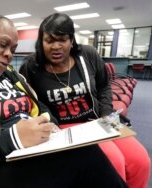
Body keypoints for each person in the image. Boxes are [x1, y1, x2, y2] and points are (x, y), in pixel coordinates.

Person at [0, 13, 128, 188]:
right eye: (3, 45)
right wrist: (14, 137)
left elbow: (39, 106)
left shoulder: (11, 74)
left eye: (12, 49)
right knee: (86, 159)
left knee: (85, 156)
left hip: (30, 152)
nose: (8, 54)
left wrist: (51, 126)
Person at [19, 13, 150, 188]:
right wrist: (50, 122)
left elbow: (104, 85)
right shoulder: (31, 66)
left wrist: (106, 113)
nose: (56, 46)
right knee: (113, 162)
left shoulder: (87, 55)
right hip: (65, 126)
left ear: (71, 40)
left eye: (62, 40)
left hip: (100, 118)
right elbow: (31, 101)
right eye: (49, 41)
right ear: (41, 42)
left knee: (141, 160)